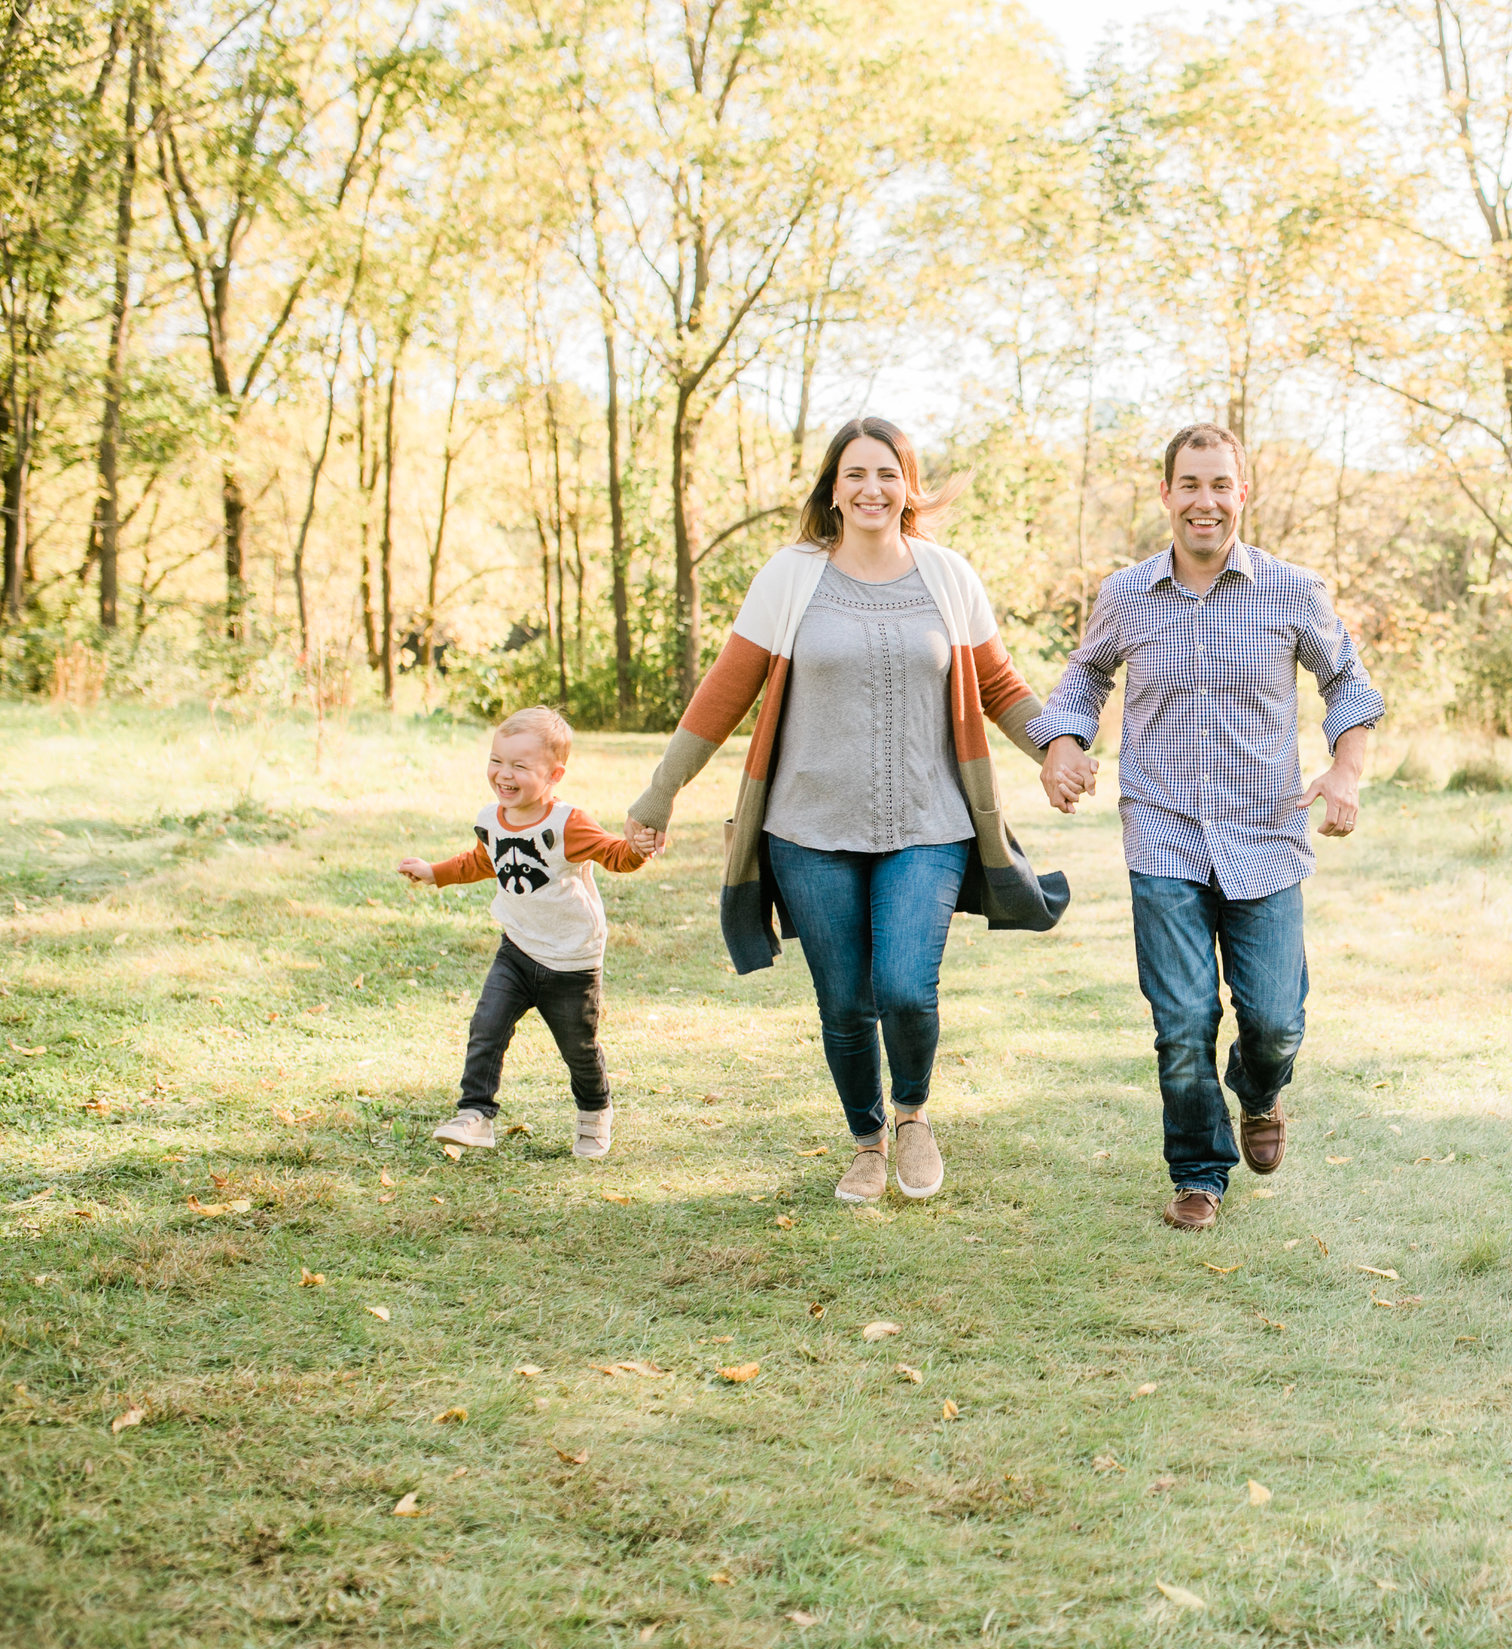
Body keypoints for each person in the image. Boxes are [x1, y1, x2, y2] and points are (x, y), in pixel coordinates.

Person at [622, 416, 1064, 1205]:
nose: (871, 489)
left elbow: (998, 685)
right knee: (845, 1000)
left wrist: (1055, 746)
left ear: (908, 486)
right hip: (808, 829)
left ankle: (913, 1115)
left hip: (929, 825)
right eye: (855, 474)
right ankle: (865, 1140)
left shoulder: (947, 576)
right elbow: (725, 692)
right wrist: (661, 791)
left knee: (903, 986)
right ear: (833, 487)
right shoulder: (791, 576)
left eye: (887, 473)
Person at [1032, 423, 1383, 1231]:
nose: (1205, 500)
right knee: (1182, 1016)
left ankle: (1258, 1092)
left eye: (1220, 484)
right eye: (1189, 484)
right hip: (1162, 829)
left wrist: (1345, 770)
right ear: (1166, 495)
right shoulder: (1127, 594)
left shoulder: (1292, 590)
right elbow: (1085, 674)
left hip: (1266, 830)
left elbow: (1349, 684)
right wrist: (1061, 743)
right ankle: (1198, 1171)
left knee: (1275, 1019)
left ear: (1242, 493)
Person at [398, 707, 648, 1159]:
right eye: (497, 760)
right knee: (486, 1028)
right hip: (516, 949)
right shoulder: (492, 818)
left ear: (554, 775)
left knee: (579, 1049)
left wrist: (638, 848)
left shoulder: (567, 823)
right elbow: (481, 861)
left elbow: (616, 856)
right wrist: (434, 872)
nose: (503, 774)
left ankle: (594, 1113)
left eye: (519, 766)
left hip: (571, 961)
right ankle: (475, 1115)